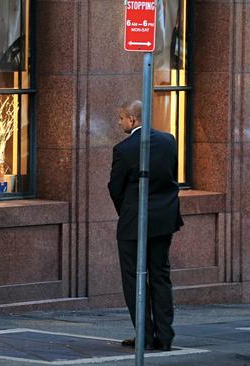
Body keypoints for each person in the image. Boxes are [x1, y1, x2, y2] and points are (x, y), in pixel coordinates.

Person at [108, 100, 183, 351]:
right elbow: (171, 178)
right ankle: (165, 335)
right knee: (160, 276)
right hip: (163, 221)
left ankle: (145, 336)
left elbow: (115, 188)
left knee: (134, 279)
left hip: (133, 222)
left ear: (132, 120)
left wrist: (127, 211)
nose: (119, 122)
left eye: (120, 117)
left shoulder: (124, 149)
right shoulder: (169, 140)